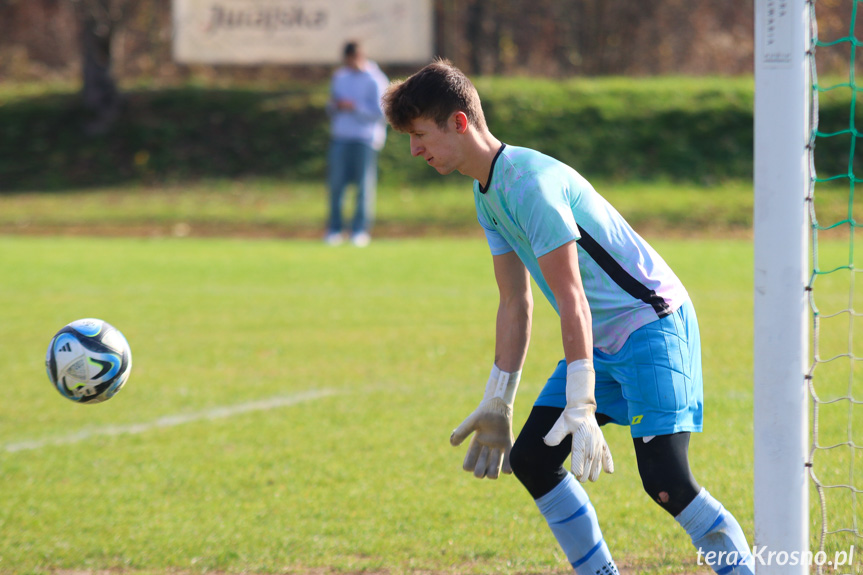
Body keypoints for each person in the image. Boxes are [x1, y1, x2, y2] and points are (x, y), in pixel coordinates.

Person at [381, 59, 755, 575]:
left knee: (666, 482)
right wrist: (499, 398)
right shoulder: (486, 193)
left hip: (651, 325)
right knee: (532, 460)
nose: (414, 149)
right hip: (602, 342)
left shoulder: (528, 183)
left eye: (420, 134)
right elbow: (516, 302)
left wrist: (581, 398)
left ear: (460, 123)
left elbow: (570, 294)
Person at [324, 41, 389, 247]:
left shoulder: (375, 79)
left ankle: (359, 231)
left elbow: (382, 114)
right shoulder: (339, 77)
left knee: (363, 185)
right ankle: (334, 230)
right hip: (341, 136)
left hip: (365, 138)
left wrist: (355, 107)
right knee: (336, 185)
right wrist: (336, 106)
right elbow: (331, 106)